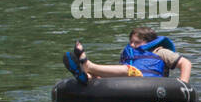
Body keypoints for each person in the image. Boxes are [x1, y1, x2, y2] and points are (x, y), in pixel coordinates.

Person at [64, 25, 192, 84]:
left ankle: (88, 65)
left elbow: (186, 63)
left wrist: (183, 83)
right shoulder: (129, 54)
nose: (131, 45)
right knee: (99, 76)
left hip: (149, 82)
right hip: (128, 82)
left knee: (130, 70)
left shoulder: (160, 52)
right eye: (130, 41)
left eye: (136, 42)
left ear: (149, 42)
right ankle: (85, 76)